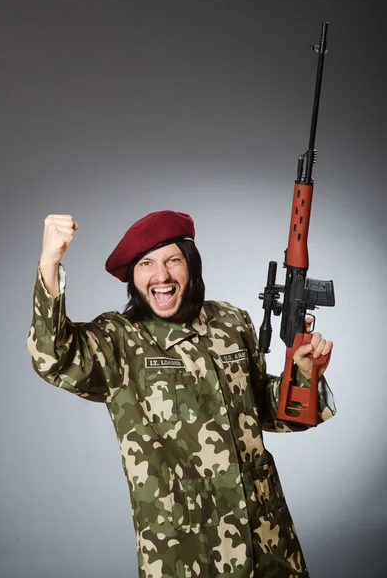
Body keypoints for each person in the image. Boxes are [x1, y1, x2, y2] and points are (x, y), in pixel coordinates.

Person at [27, 210, 336, 578]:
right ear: (133, 277)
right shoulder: (120, 339)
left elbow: (264, 409)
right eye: (146, 264)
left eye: (173, 259)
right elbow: (54, 357)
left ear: (191, 264)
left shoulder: (231, 322)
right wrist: (50, 262)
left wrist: (302, 373)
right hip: (185, 546)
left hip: (264, 533)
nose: (162, 276)